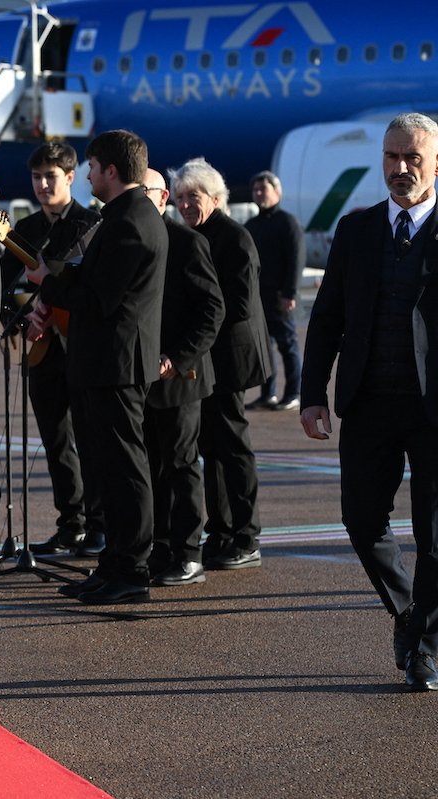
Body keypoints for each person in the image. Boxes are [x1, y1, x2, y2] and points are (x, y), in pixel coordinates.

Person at [301, 112, 438, 692]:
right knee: (361, 520)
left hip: (433, 409)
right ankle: (408, 616)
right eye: (391, 157)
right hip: (368, 401)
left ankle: (425, 649)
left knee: (433, 536)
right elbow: (327, 317)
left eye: (412, 157)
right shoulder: (355, 231)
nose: (400, 168)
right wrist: (311, 395)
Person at [25, 130, 167, 605]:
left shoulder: (129, 221)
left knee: (124, 471)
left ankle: (132, 570)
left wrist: (48, 284)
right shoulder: (124, 216)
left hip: (116, 364)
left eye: (89, 166)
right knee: (107, 469)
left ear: (110, 170)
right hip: (105, 363)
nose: (86, 174)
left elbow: (100, 300)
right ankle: (112, 564)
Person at [0, 141, 105, 558]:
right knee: (55, 438)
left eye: (51, 177)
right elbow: (7, 289)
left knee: (89, 437)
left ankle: (99, 523)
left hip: (80, 345)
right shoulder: (23, 229)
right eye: (36, 177)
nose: (43, 184)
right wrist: (22, 319)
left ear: (70, 177)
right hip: (41, 347)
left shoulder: (91, 223)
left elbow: (92, 289)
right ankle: (70, 523)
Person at [171, 158, 272, 571]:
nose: (185, 205)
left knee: (232, 446)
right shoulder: (192, 234)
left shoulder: (234, 237)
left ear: (216, 198)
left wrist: (195, 331)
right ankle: (222, 531)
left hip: (230, 356)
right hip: (206, 356)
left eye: (193, 197)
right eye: (179, 198)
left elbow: (239, 305)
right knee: (210, 446)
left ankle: (247, 536)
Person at [140, 169, 225, 586]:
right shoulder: (133, 240)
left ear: (162, 198)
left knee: (181, 463)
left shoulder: (188, 242)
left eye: (145, 193)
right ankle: (161, 546)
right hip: (142, 375)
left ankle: (189, 554)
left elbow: (212, 310)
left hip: (180, 373)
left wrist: (176, 357)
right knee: (153, 464)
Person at [245, 170, 306, 411]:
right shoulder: (252, 225)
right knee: (264, 347)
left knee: (287, 345)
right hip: (258, 298)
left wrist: (290, 293)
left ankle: (293, 394)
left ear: (277, 193)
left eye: (264, 189)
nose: (259, 194)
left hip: (282, 297)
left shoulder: (288, 222)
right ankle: (267, 394)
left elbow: (296, 259)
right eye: (256, 190)